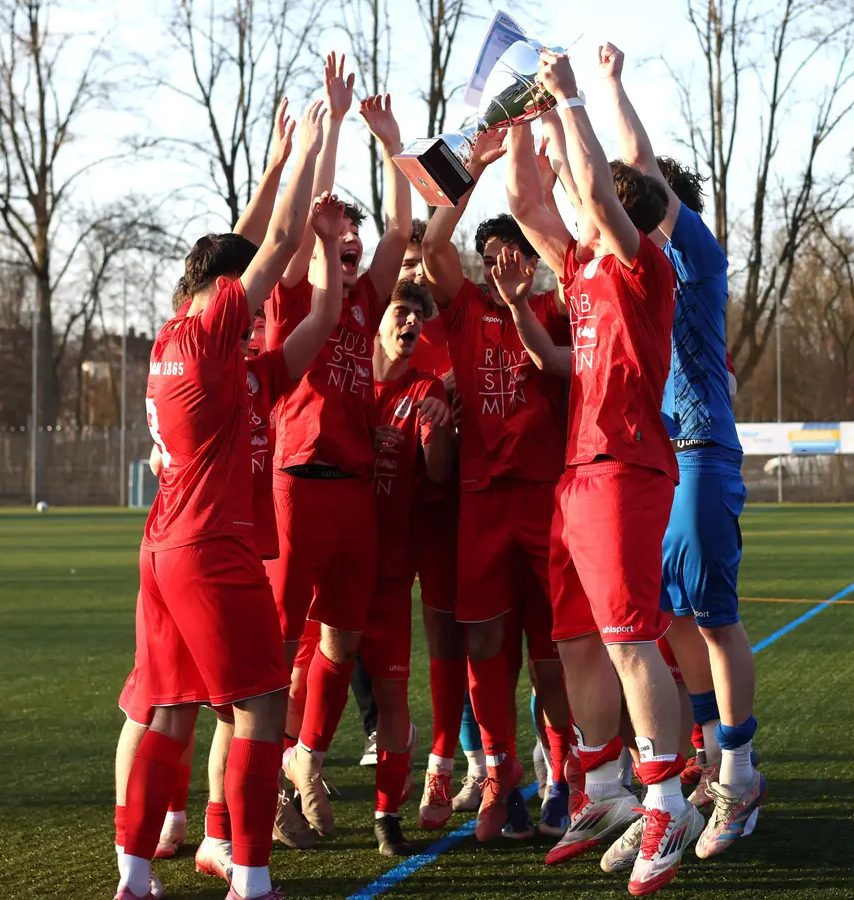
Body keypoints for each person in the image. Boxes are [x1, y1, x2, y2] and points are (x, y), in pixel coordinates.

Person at [115, 98, 328, 900]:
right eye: (249, 297)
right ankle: (250, 878)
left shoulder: (175, 333)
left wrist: (276, 161)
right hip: (211, 545)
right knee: (261, 709)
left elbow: (237, 248)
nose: (258, 309)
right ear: (225, 293)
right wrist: (310, 145)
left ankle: (134, 875)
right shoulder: (212, 333)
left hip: (162, 546)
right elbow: (268, 246)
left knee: (168, 714)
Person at [502, 49, 701, 895]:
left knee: (626, 640)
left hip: (624, 468)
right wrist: (523, 122)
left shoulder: (638, 262)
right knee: (577, 637)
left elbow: (589, 188)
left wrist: (572, 101)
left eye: (596, 200)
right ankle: (608, 789)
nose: (579, 207)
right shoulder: (582, 266)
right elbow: (524, 199)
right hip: (578, 475)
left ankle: (668, 798)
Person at [591, 43, 764, 865]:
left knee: (716, 616)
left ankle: (740, 772)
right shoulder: (636, 283)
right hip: (661, 464)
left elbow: (639, 166)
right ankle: (704, 752)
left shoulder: (692, 252)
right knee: (667, 619)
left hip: (701, 452)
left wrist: (614, 87)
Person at [265, 55, 411, 839]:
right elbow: (307, 220)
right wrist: (324, 129)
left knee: (341, 643)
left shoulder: (366, 300)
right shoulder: (299, 294)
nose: (348, 241)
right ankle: (249, 799)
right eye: (338, 233)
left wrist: (389, 142)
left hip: (355, 489)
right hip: (297, 482)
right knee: (280, 647)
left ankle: (305, 760)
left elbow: (397, 230)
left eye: (351, 238)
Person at [418, 129, 575, 841]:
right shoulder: (466, 310)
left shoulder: (551, 310)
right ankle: (500, 775)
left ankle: (566, 777)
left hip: (546, 500)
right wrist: (472, 168)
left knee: (552, 655)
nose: (497, 264)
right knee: (484, 646)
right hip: (481, 505)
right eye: (488, 256)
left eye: (509, 251)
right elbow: (429, 248)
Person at [362, 279, 454, 854]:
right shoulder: (342, 375)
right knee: (303, 684)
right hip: (336, 562)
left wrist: (440, 429)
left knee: (394, 697)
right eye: (400, 313)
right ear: (375, 316)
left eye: (418, 318)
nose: (409, 325)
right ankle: (289, 793)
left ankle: (385, 814)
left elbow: (438, 473)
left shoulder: (423, 387)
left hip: (393, 566)